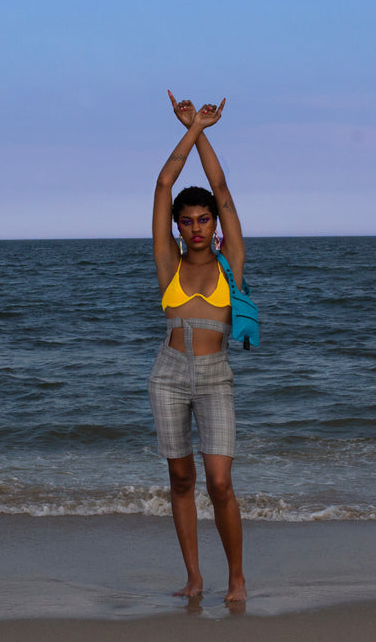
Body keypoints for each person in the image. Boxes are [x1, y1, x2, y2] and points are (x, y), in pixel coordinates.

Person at [148, 90, 246, 603]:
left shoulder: (233, 264)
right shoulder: (170, 263)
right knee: (181, 478)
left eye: (204, 219)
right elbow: (164, 183)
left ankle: (236, 578)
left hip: (215, 374)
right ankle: (194, 578)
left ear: (215, 224)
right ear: (177, 228)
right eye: (186, 221)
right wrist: (187, 129)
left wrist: (204, 129)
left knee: (220, 482)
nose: (197, 227)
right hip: (168, 372)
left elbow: (222, 188)